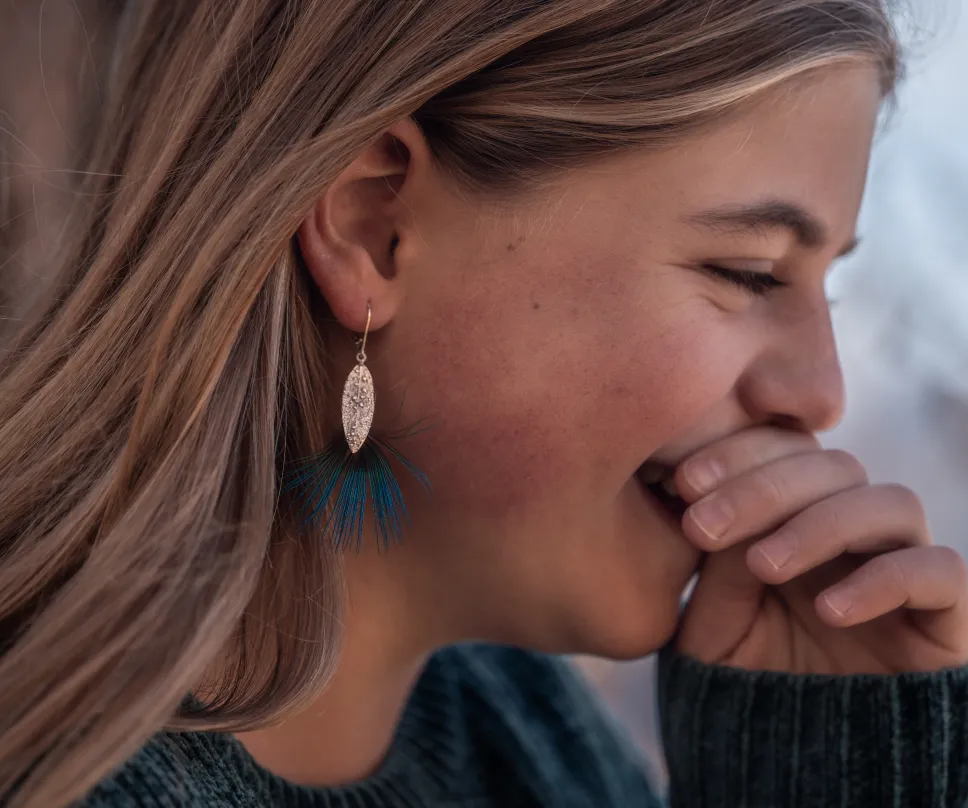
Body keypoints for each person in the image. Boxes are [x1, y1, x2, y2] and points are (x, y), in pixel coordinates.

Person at [1, 1, 966, 806]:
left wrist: (813, 767)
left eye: (824, 288)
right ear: (375, 227)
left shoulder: (541, 744)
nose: (822, 396)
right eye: (748, 273)